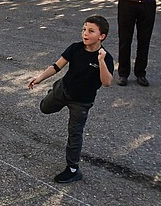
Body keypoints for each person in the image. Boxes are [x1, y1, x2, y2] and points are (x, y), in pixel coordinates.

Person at [25, 15, 115, 184]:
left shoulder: (106, 58)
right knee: (44, 107)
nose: (85, 34)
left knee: (75, 133)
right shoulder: (75, 48)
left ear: (101, 36)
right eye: (84, 29)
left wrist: (101, 61)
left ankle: (73, 169)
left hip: (81, 102)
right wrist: (38, 78)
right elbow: (56, 66)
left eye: (91, 31)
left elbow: (107, 82)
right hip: (63, 90)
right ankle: (55, 91)